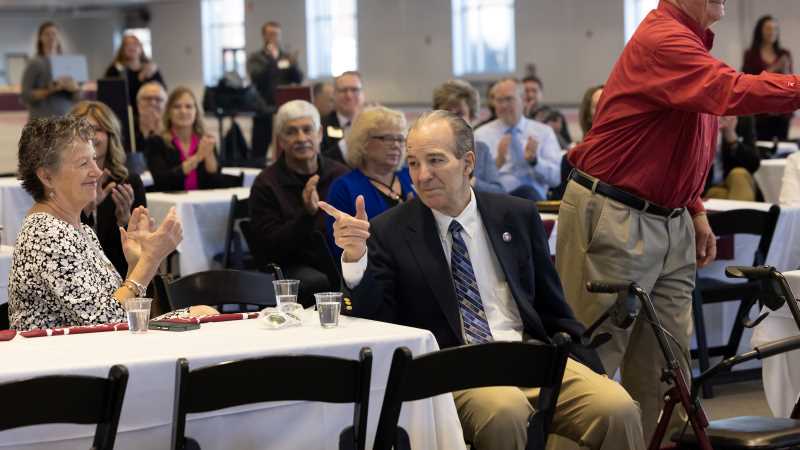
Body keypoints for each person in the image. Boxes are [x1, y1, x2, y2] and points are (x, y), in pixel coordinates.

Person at [320, 111, 645, 450]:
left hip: (529, 356)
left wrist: (591, 366)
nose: (423, 175)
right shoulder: (390, 230)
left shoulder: (517, 215)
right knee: (505, 412)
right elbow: (375, 320)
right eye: (414, 163)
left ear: (468, 162)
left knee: (617, 408)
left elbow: (553, 306)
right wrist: (356, 257)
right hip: (456, 367)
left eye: (435, 161)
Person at [557, 0, 800, 441]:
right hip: (617, 214)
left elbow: (676, 146)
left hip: (666, 219)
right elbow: (731, 92)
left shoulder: (691, 47)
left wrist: (694, 208)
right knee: (590, 369)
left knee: (664, 370)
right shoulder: (665, 39)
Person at [8, 116, 214, 331]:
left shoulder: (80, 229)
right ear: (47, 177)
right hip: (66, 358)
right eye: (83, 163)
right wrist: (150, 261)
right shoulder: (46, 233)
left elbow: (115, 307)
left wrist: (136, 263)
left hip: (95, 350)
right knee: (203, 323)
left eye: (94, 160)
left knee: (205, 315)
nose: (97, 172)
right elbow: (106, 322)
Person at [249, 100, 349, 307]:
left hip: (339, 258)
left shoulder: (339, 175)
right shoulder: (266, 184)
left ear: (319, 133)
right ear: (281, 140)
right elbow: (268, 249)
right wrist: (306, 214)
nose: (301, 138)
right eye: (291, 132)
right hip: (292, 265)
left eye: (307, 130)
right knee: (317, 281)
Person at [324, 106, 415, 260]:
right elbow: (341, 251)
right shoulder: (344, 188)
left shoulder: (412, 175)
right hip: (373, 271)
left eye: (400, 139)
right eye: (386, 138)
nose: (396, 145)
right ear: (363, 142)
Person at [70, 101, 147, 277]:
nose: (91, 136)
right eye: (84, 129)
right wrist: (86, 211)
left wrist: (125, 221)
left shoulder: (128, 182)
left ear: (111, 135)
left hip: (119, 275)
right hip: (77, 275)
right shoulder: (66, 181)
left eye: (98, 129)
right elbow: (61, 239)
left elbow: (141, 249)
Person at [474, 78, 562, 201]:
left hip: (537, 204)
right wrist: (497, 164)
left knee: (528, 192)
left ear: (523, 100)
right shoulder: (481, 135)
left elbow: (555, 179)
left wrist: (534, 161)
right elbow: (474, 183)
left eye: (509, 99)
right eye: (499, 100)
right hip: (498, 203)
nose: (504, 105)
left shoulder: (543, 132)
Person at [144, 86, 221, 192]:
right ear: (169, 112)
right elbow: (162, 180)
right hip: (169, 204)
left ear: (196, 112)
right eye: (177, 106)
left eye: (188, 106)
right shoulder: (156, 141)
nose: (183, 111)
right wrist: (197, 157)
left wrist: (209, 154)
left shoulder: (205, 140)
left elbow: (216, 181)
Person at [432, 79, 503, 193]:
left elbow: (499, 192)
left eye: (460, 113)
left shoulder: (481, 149)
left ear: (472, 117)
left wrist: (472, 182)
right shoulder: (427, 150)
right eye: (447, 113)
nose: (453, 119)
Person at [247, 21, 303, 159]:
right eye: (271, 34)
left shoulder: (286, 57)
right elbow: (256, 77)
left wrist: (293, 64)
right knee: (258, 153)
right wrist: (272, 60)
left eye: (277, 34)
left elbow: (298, 79)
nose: (274, 37)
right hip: (263, 111)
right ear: (264, 36)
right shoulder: (256, 58)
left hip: (284, 110)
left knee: (285, 150)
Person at [742, 15, 794, 141]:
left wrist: (785, 70)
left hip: (782, 112)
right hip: (761, 113)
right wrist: (775, 67)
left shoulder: (784, 54)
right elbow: (750, 82)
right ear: (760, 31)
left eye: (775, 29)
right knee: (762, 147)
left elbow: (790, 84)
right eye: (768, 28)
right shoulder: (751, 55)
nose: (772, 32)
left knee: (782, 148)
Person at [20, 22, 80, 119]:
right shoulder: (34, 63)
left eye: (54, 34)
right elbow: (25, 96)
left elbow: (78, 97)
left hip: (65, 120)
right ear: (40, 38)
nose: (51, 37)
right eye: (47, 34)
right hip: (41, 122)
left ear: (58, 37)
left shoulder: (68, 63)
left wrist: (75, 88)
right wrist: (49, 90)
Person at [104, 33, 165, 118]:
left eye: (135, 44)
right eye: (127, 45)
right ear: (122, 49)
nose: (132, 47)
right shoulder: (114, 70)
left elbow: (163, 93)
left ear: (141, 48)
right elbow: (110, 97)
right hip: (123, 116)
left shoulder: (151, 69)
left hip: (150, 115)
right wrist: (140, 78)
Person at [705, 115, 760, 201]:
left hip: (732, 183)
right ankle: (745, 213)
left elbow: (753, 164)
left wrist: (731, 137)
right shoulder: (699, 116)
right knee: (718, 193)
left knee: (739, 174)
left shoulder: (742, 117)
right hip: (706, 187)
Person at [321, 71, 365, 164]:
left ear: (362, 94)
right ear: (334, 95)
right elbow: (321, 159)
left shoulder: (373, 125)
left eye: (354, 90)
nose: (349, 96)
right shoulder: (321, 125)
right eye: (343, 90)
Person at [524, 75, 572, 147]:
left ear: (541, 93)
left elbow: (567, 145)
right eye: (526, 91)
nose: (530, 95)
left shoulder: (553, 116)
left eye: (534, 91)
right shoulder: (514, 117)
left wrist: (553, 132)